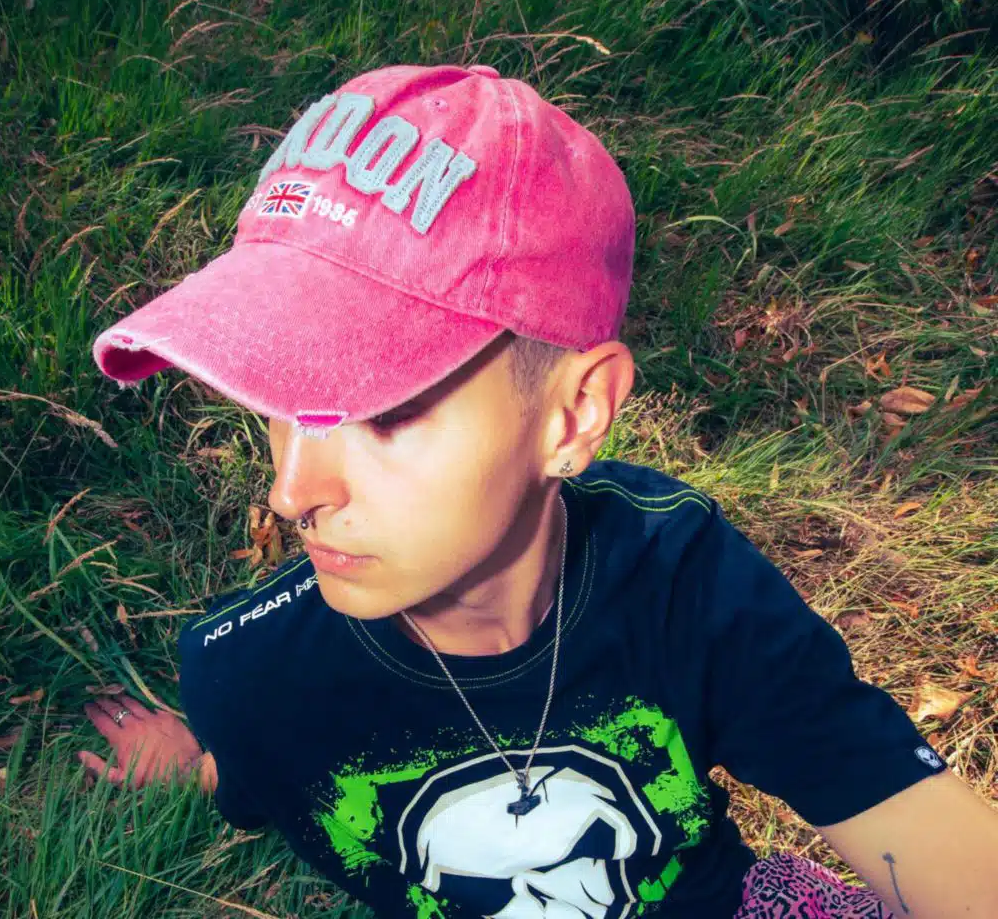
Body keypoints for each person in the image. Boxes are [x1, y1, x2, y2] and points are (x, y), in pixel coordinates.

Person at [79, 63, 998, 918]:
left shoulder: (680, 578)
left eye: (385, 413)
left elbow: (891, 798)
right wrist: (198, 767)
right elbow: (258, 773)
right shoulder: (252, 677)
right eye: (276, 401)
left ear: (573, 415)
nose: (292, 491)